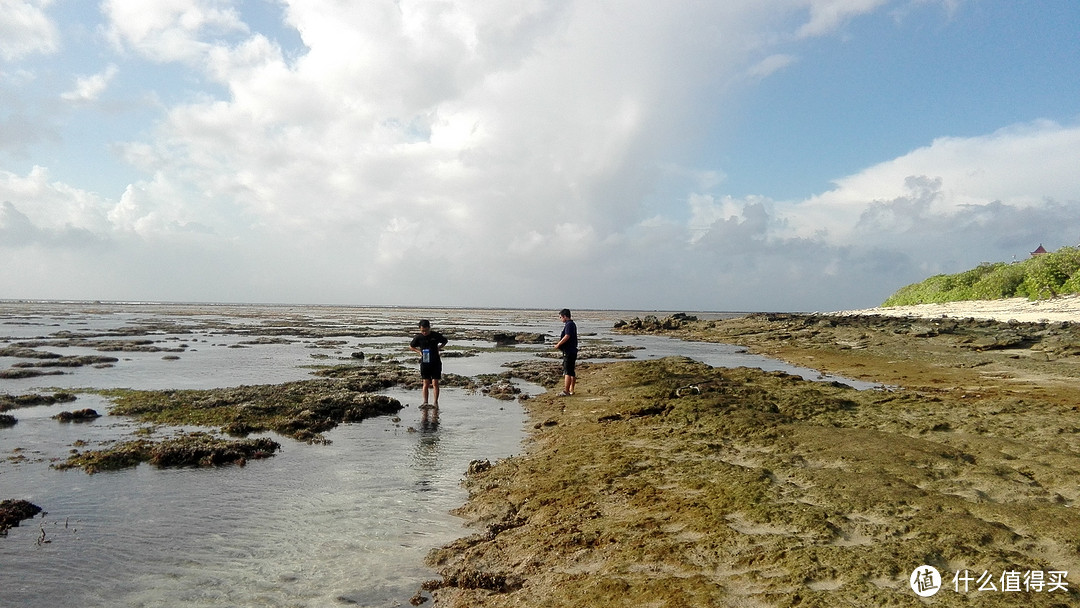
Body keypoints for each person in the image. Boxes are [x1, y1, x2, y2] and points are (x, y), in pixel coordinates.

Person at [409, 320, 448, 408]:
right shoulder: (418, 337)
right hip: (425, 362)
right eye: (422, 331)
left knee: (435, 383)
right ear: (420, 329)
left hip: (435, 362)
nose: (424, 332)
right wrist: (418, 352)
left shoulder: (435, 335)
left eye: (426, 330)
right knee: (425, 383)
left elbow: (445, 341)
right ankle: (425, 402)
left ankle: (435, 402)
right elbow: (411, 346)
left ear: (429, 328)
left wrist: (439, 348)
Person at [553, 308, 577, 396]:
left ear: (564, 316)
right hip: (572, 350)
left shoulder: (569, 324)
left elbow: (567, 336)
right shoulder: (572, 324)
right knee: (571, 371)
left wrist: (558, 344)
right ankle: (571, 389)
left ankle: (566, 391)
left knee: (567, 371)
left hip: (569, 351)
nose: (560, 319)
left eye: (560, 317)